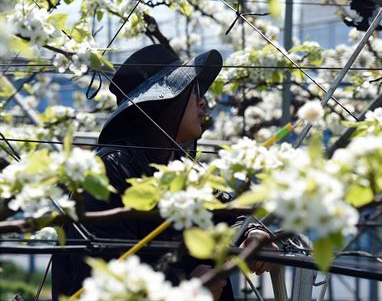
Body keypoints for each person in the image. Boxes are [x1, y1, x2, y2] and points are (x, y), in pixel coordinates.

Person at [51, 44, 272, 300]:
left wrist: (254, 233)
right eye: (192, 92)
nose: (203, 102)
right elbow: (100, 272)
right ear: (165, 103)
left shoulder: (181, 167)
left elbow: (226, 212)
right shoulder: (107, 171)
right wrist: (184, 287)